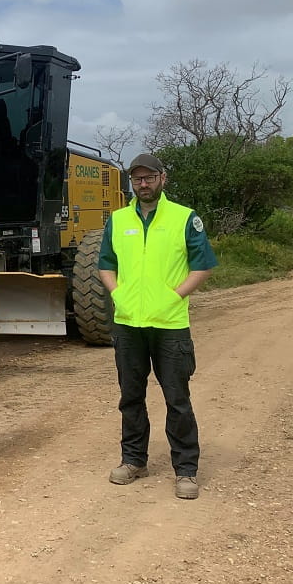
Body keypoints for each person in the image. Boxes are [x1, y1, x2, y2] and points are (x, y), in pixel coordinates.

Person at [98, 153, 217, 500]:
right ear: (131, 183)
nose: (143, 184)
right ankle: (134, 460)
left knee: (177, 399)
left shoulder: (184, 218)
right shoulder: (117, 221)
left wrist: (175, 295)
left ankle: (186, 470)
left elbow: (203, 265)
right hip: (128, 325)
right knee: (131, 398)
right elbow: (106, 263)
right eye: (137, 179)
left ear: (162, 178)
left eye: (149, 177)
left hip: (169, 324)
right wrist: (117, 293)